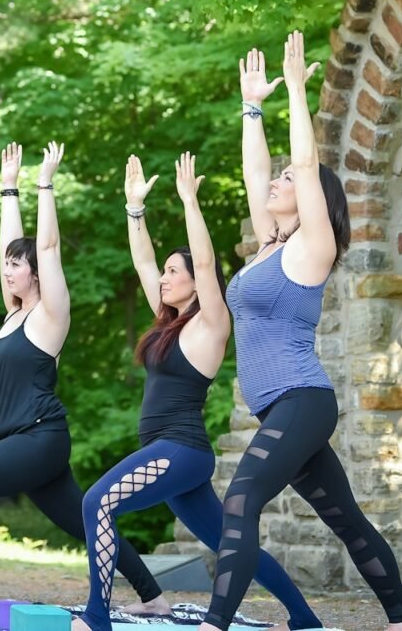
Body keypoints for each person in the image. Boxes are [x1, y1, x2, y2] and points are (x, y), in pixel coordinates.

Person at [199, 33, 402, 631]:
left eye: (287, 181)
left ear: (315, 196)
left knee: (240, 500)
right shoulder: (269, 246)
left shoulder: (312, 248)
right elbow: (257, 168)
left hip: (302, 399)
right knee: (346, 520)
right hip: (281, 407)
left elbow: (303, 163)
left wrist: (297, 89)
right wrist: (251, 107)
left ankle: (213, 625)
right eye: (275, 181)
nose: (275, 182)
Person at [0, 142, 169, 614]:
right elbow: (9, 246)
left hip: (38, 438)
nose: (7, 271)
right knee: (87, 522)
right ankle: (154, 598)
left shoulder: (50, 316)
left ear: (36, 274)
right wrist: (8, 188)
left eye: (16, 266)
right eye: (6, 265)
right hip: (27, 443)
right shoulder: (12, 315)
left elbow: (46, 247)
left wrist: (43, 184)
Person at [71, 152, 324, 631]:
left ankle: (96, 617)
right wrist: (134, 209)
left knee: (96, 502)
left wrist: (190, 201)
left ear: (193, 283)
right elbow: (142, 259)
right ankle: (304, 619)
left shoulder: (211, 323)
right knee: (231, 543)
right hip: (169, 454)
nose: (164, 278)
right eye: (164, 273)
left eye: (174, 272)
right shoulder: (167, 323)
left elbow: (205, 262)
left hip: (181, 450)